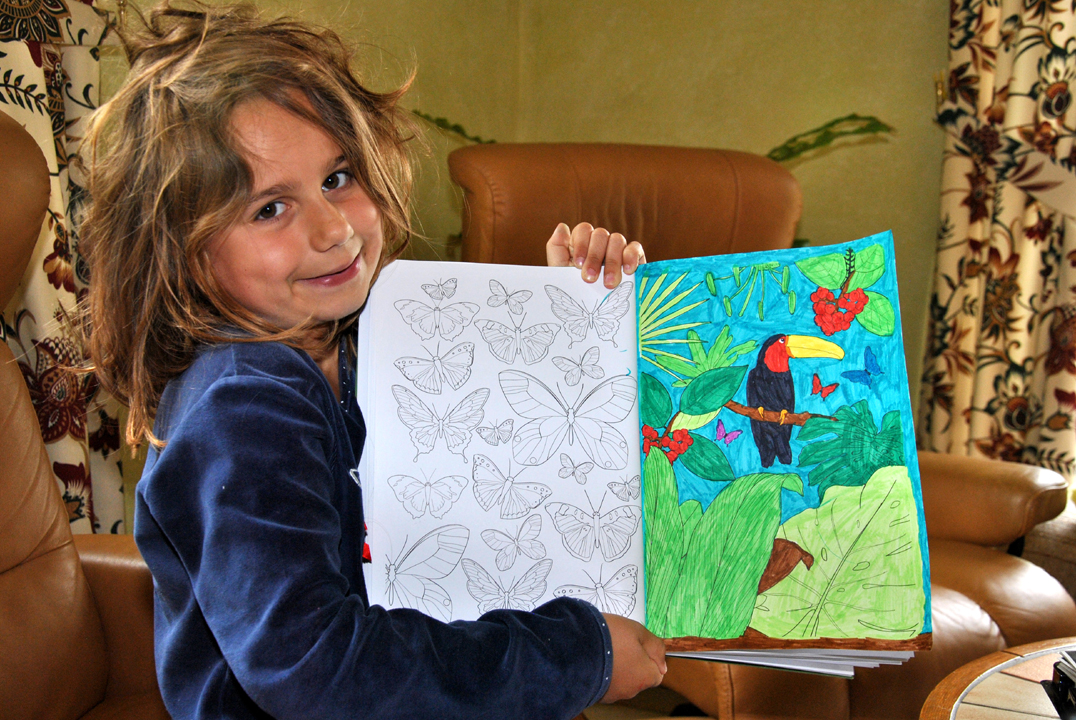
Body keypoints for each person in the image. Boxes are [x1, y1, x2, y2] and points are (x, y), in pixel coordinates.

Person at [77, 2, 665, 719]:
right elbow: (318, 669)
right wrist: (573, 657)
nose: (333, 229)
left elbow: (478, 491)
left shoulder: (360, 341)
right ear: (186, 256)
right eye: (269, 209)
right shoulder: (243, 407)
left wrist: (563, 317)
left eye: (337, 178)